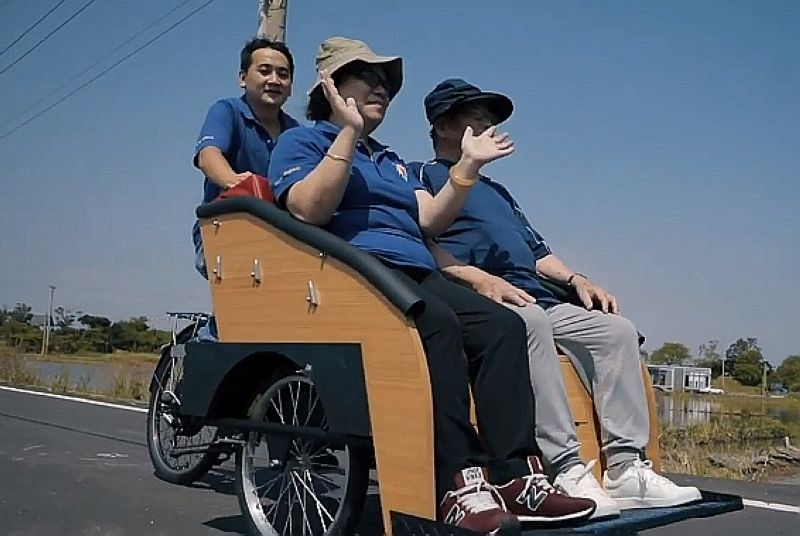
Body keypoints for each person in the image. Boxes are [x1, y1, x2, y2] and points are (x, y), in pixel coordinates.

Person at [267, 37, 596, 533]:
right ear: (331, 85)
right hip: (353, 269)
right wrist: (348, 133)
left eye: (387, 82)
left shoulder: (392, 160)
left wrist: (467, 167)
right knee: (438, 324)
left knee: (503, 327)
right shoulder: (303, 142)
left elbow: (429, 219)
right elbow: (309, 209)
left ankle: (516, 477)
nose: (382, 88)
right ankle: (456, 484)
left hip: (416, 270)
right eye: (369, 77)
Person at [410, 78, 702, 518]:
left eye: (490, 119)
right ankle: (564, 467)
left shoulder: (499, 193)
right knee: (532, 322)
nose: (489, 125)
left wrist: (576, 278)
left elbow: (538, 253)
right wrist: (478, 280)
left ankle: (626, 467)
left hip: (537, 295)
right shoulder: (421, 174)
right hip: (486, 300)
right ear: (444, 127)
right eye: (477, 118)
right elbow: (424, 240)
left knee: (616, 331)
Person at [192, 37, 298, 278]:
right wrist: (242, 186)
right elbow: (208, 156)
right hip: (225, 230)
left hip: (281, 238)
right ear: (242, 78)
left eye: (283, 74)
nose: (274, 80)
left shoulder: (297, 133)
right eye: (264, 71)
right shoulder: (227, 111)